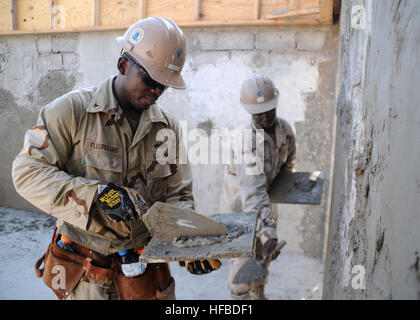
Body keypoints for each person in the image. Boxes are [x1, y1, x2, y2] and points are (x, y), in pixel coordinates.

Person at [12, 17, 220, 300]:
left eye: (164, 85)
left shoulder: (166, 129)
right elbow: (27, 172)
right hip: (86, 275)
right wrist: (97, 195)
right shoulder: (72, 112)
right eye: (150, 80)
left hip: (146, 271)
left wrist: (186, 241)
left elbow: (178, 195)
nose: (157, 91)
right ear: (123, 65)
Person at [219, 74, 296, 300]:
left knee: (264, 254)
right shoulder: (247, 143)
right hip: (241, 205)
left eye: (269, 111)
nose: (264, 118)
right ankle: (239, 298)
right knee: (244, 259)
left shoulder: (286, 131)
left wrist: (268, 236)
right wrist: (267, 233)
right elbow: (251, 195)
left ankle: (258, 293)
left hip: (265, 199)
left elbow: (288, 164)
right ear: (249, 111)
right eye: (258, 114)